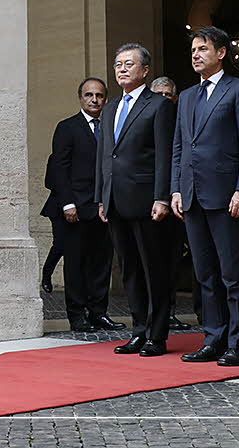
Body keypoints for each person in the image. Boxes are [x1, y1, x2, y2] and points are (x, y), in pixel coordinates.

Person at [171, 25, 239, 367]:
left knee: (233, 275)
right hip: (192, 196)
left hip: (227, 197)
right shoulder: (188, 97)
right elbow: (179, 147)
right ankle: (213, 338)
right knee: (204, 274)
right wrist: (176, 189)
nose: (195, 54)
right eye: (193, 49)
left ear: (221, 52)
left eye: (203, 49)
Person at [96, 45, 176, 356]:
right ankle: (139, 330)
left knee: (153, 268)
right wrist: (101, 197)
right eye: (118, 64)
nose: (122, 69)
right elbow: (105, 156)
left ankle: (157, 335)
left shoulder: (158, 105)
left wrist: (162, 197)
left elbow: (164, 156)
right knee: (129, 268)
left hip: (147, 200)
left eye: (129, 64)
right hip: (115, 200)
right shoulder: (111, 107)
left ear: (144, 70)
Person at [41, 77, 121, 332]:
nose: (94, 100)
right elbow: (60, 168)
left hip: (104, 207)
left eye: (99, 95)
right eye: (89, 95)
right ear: (80, 98)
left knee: (101, 263)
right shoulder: (67, 127)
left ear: (105, 99)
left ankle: (99, 313)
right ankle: (77, 316)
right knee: (75, 264)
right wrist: (67, 203)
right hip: (75, 208)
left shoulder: (112, 128)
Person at [150, 76, 194, 331]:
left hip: (177, 201)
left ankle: (170, 312)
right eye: (159, 95)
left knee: (173, 261)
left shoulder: (183, 121)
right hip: (152, 203)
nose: (164, 100)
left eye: (168, 95)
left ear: (175, 98)